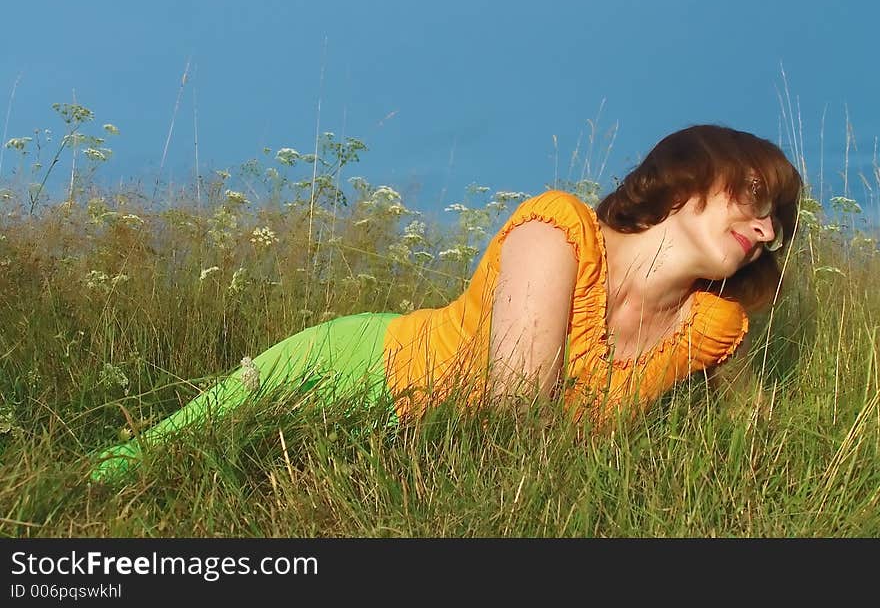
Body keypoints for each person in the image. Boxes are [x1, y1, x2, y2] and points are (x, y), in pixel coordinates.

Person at [89, 124, 802, 482]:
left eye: (776, 217)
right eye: (752, 196)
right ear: (680, 181)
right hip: (360, 369)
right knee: (138, 463)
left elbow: (757, 444)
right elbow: (514, 415)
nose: (766, 227)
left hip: (420, 455)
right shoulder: (557, 232)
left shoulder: (715, 323)